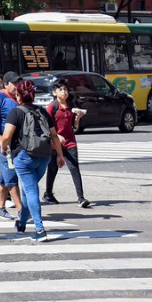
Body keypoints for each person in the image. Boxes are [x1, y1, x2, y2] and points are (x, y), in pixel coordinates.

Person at [0, 78, 63, 242]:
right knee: (29, 190)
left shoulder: (16, 112)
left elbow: (6, 136)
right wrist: (60, 155)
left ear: (18, 95)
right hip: (44, 156)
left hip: (24, 157)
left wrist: (3, 147)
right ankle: (21, 223)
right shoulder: (42, 111)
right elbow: (54, 135)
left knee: (31, 191)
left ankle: (40, 229)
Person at [44, 79, 91, 208]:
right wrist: (56, 136)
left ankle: (81, 198)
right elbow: (45, 125)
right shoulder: (52, 107)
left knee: (74, 168)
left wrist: (77, 119)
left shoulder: (71, 105)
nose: (64, 92)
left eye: (65, 89)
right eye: (61, 90)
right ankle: (48, 193)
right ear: (54, 93)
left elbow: (73, 126)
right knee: (52, 169)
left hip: (70, 142)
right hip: (55, 143)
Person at [0, 71, 22, 219]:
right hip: (0, 145)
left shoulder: (16, 98)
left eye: (18, 83)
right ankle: (22, 210)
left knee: (5, 177)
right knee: (11, 175)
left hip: (14, 145)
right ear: (6, 84)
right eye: (14, 84)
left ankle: (0, 207)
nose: (17, 86)